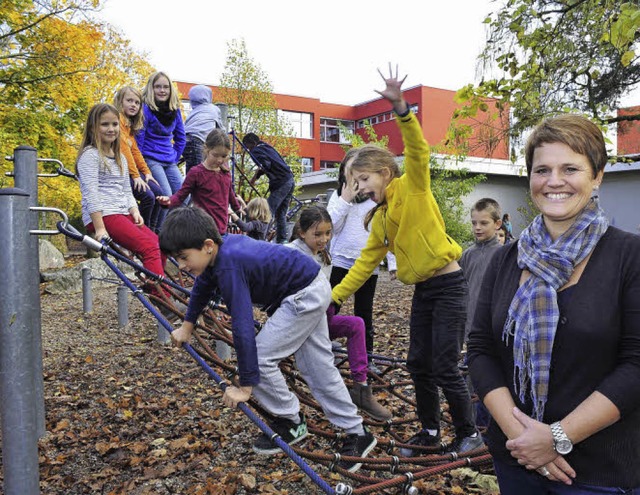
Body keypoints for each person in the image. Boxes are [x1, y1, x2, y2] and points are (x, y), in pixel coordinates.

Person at [467, 114, 640, 494]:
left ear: (597, 176)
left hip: (600, 472)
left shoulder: (630, 255)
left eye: (570, 168)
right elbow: (479, 349)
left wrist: (557, 437)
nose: (554, 181)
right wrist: (524, 438)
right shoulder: (504, 259)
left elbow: (636, 364)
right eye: (542, 169)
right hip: (516, 458)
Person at [331, 64, 482, 456]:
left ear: (382, 173)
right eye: (354, 184)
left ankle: (468, 432)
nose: (360, 189)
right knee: (418, 363)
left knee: (446, 363)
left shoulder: (412, 186)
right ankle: (430, 432)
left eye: (362, 181)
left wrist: (401, 108)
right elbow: (363, 265)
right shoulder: (380, 218)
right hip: (424, 290)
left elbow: (418, 148)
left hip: (449, 285)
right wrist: (334, 298)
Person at [159, 207, 376, 472]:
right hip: (311, 286)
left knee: (260, 359)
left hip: (302, 296)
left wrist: (246, 386)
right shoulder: (220, 251)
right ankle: (357, 431)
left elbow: (242, 325)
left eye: (183, 257)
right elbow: (202, 287)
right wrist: (187, 325)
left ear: (206, 246)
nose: (181, 266)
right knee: (316, 364)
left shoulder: (229, 264)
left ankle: (292, 421)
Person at [287, 206, 392, 421]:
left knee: (356, 324)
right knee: (324, 367)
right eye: (317, 234)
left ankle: (361, 388)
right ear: (301, 232)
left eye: (327, 233)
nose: (324, 239)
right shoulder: (291, 253)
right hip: (300, 323)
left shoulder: (324, 256)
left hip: (320, 321)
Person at [75, 103, 167, 299]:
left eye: (115, 124)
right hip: (102, 215)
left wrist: (134, 210)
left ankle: (157, 286)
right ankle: (162, 297)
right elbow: (91, 193)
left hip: (122, 212)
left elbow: (126, 190)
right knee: (149, 248)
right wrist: (99, 228)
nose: (111, 129)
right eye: (105, 124)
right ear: (93, 128)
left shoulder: (121, 158)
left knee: (161, 245)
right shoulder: (90, 156)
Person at [327, 160, 397, 371]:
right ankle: (322, 347)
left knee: (363, 312)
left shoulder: (375, 197)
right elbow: (330, 225)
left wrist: (393, 263)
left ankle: (366, 358)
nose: (358, 183)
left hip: (369, 264)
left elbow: (389, 229)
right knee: (330, 306)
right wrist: (346, 200)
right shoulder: (340, 196)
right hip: (340, 259)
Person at [157, 129, 244, 236]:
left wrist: (238, 208)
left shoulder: (225, 172)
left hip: (222, 227)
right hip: (203, 228)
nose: (219, 160)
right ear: (206, 149)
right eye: (215, 155)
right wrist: (169, 201)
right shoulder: (196, 173)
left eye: (224, 156)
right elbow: (180, 196)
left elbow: (229, 193)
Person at [136, 71, 186, 232]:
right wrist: (142, 164)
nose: (162, 90)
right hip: (151, 158)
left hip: (169, 160)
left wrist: (175, 156)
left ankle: (171, 229)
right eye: (158, 87)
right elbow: (139, 138)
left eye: (165, 87)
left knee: (182, 194)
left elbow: (181, 138)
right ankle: (156, 232)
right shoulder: (146, 109)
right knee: (165, 194)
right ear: (151, 89)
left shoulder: (175, 110)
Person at [113, 86, 164, 230]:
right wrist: (136, 176)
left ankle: (152, 231)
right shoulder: (118, 122)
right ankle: (142, 229)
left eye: (137, 103)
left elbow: (135, 152)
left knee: (159, 193)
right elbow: (124, 151)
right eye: (129, 101)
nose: (133, 105)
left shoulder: (129, 127)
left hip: (131, 170)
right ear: (120, 102)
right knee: (148, 196)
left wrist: (147, 173)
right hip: (120, 171)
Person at [459, 198, 503, 341]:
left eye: (483, 223)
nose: (477, 227)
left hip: (493, 325)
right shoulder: (466, 255)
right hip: (469, 322)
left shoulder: (504, 255)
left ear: (497, 224)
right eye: (474, 223)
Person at [242, 132, 295, 244]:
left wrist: (254, 177)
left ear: (252, 143)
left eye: (247, 147)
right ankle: (282, 240)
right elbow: (268, 163)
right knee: (281, 213)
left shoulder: (256, 151)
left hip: (281, 182)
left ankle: (261, 239)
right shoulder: (267, 147)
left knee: (267, 210)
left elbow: (265, 164)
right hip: (289, 179)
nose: (248, 150)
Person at [183, 84, 223, 175]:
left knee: (191, 168)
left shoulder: (193, 112)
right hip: (197, 140)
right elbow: (220, 128)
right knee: (199, 172)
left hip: (185, 140)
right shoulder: (214, 108)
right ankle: (195, 188)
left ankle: (188, 186)